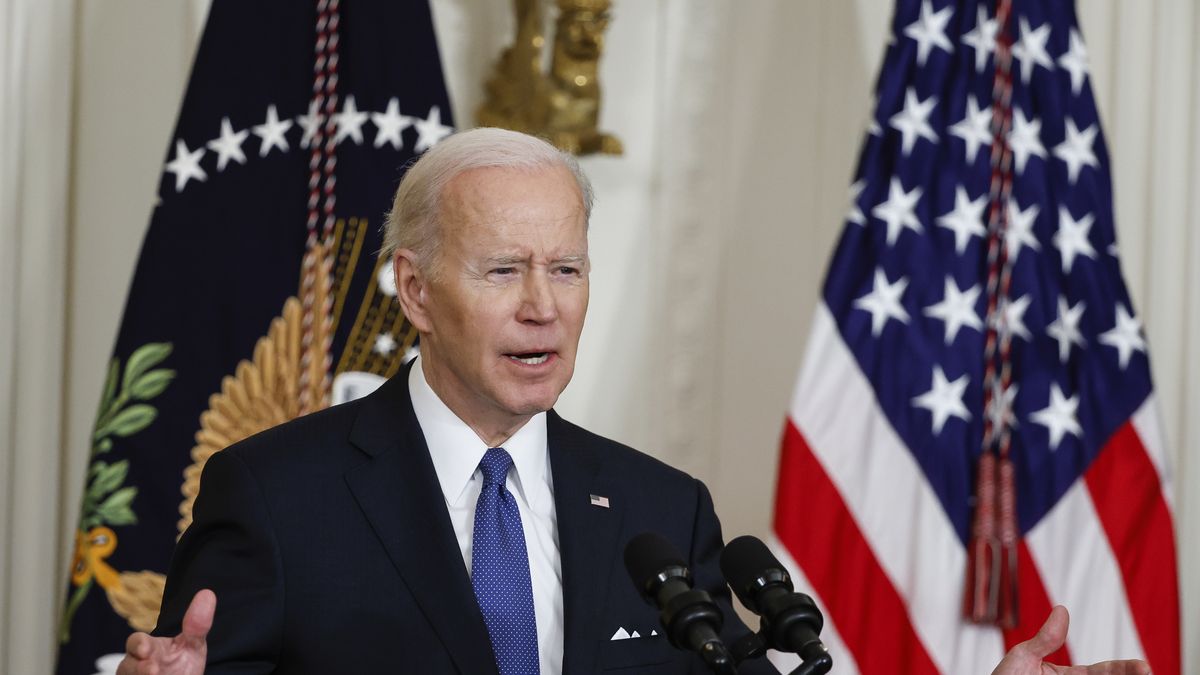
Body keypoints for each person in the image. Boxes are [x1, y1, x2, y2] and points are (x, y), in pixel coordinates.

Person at [117, 128, 1150, 675]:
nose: (543, 306)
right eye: (504, 270)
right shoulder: (276, 495)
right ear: (415, 291)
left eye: (566, 269)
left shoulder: (661, 509)